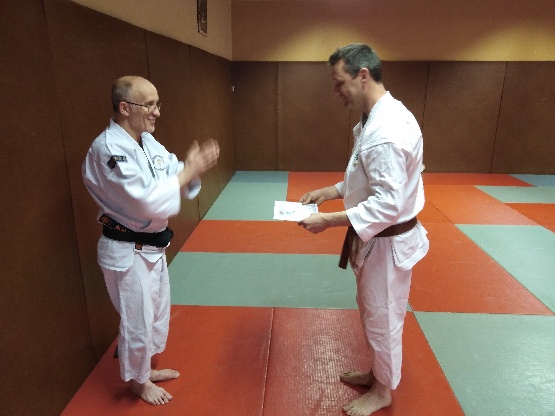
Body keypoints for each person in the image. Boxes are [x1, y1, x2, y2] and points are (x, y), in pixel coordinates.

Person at [298, 44, 429, 416]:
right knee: (374, 312)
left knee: (383, 317)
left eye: (339, 82)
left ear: (363, 76)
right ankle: (377, 373)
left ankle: (383, 391)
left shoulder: (387, 132)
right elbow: (365, 178)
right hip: (377, 240)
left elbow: (388, 204)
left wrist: (327, 220)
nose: (336, 92)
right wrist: (330, 192)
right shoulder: (375, 117)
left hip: (387, 244)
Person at [82, 76, 220, 405]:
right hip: (126, 249)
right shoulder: (109, 149)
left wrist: (192, 168)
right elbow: (144, 200)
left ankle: (143, 369)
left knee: (155, 312)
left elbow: (174, 169)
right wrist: (189, 170)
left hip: (153, 246)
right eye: (149, 105)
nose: (157, 111)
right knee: (138, 320)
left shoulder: (148, 142)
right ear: (125, 108)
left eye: (158, 104)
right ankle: (138, 382)